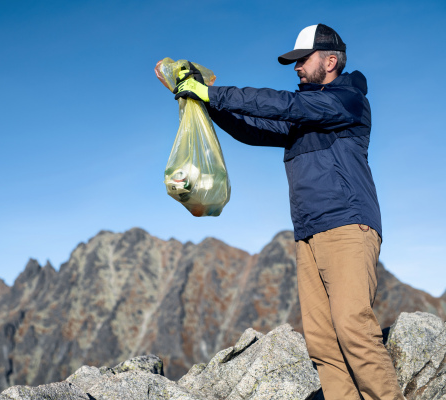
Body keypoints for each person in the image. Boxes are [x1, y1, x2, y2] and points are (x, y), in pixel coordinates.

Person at [173, 24, 404, 400]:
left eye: (302, 60)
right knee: (323, 343)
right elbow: (252, 128)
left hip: (347, 226)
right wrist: (206, 103)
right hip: (309, 233)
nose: (296, 67)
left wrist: (215, 92)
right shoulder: (306, 116)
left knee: (353, 330)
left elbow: (286, 104)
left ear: (330, 61)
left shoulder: (346, 101)